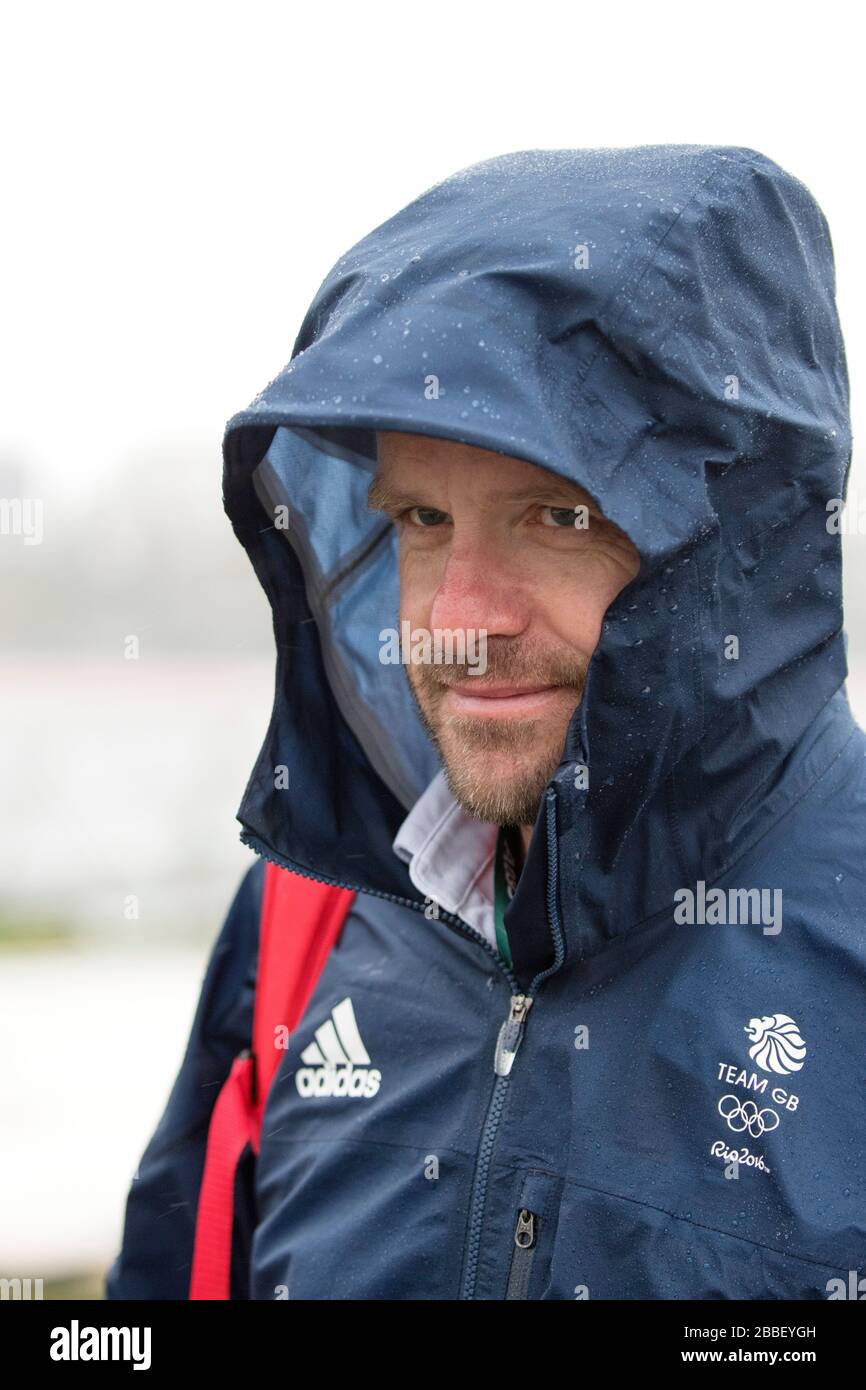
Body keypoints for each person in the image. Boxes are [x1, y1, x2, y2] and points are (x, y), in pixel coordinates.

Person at [106, 145, 866, 1300]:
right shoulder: (300, 921)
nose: (453, 621)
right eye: (418, 517)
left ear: (739, 540)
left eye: (556, 514)